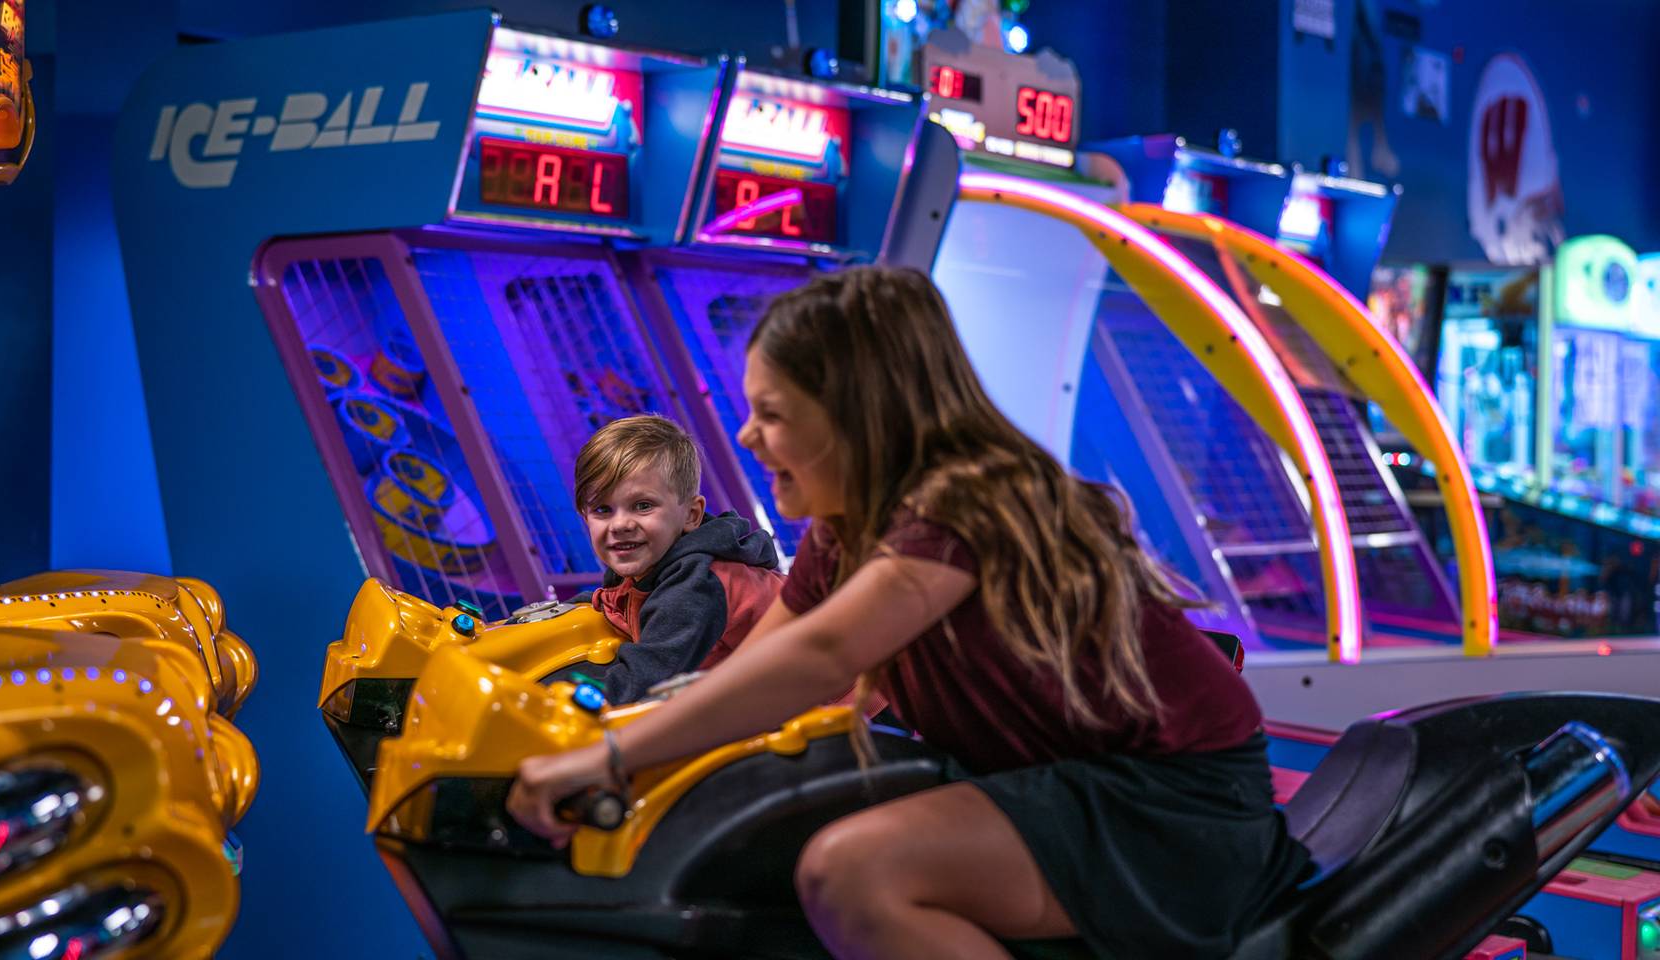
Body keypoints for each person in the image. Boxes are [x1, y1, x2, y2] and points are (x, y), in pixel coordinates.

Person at [509, 267, 1308, 959]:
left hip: (1169, 803)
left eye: (775, 413)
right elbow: (756, 672)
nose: (749, 433)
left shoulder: (974, 499)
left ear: (858, 415)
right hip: (1059, 779)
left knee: (853, 871)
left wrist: (608, 756)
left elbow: (819, 656)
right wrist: (586, 735)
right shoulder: (846, 529)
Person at [570, 414, 785, 704]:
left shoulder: (698, 584)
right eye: (602, 510)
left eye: (642, 506)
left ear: (691, 515)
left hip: (837, 708)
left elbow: (644, 680)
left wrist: (559, 701)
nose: (620, 525)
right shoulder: (648, 567)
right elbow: (612, 600)